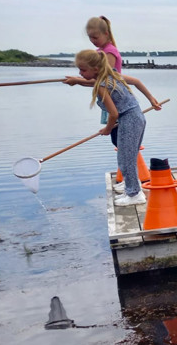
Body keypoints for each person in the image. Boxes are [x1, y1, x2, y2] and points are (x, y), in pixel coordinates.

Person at [73, 49, 162, 206]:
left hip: (129, 120)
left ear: (95, 69)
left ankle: (135, 194)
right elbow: (135, 82)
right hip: (136, 117)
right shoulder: (112, 75)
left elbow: (113, 113)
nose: (80, 73)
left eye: (83, 70)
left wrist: (107, 129)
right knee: (127, 157)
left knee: (126, 158)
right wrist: (78, 81)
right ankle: (132, 189)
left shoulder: (102, 85)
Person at [64, 17, 123, 146]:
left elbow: (106, 81)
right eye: (90, 38)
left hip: (115, 99)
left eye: (95, 38)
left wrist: (78, 81)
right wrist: (78, 79)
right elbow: (96, 80)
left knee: (119, 139)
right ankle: (126, 164)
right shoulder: (98, 53)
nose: (92, 41)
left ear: (106, 34)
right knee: (116, 140)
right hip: (108, 98)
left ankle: (130, 165)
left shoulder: (109, 52)